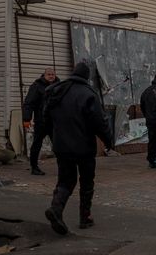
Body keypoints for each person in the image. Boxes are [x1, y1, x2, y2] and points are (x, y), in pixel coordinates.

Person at [43, 62, 114, 235]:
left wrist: (54, 136)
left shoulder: (57, 90)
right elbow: (100, 121)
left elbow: (46, 116)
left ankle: (56, 209)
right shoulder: (88, 94)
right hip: (83, 147)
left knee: (66, 180)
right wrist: (109, 141)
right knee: (86, 181)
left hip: (62, 146)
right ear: (86, 77)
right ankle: (85, 217)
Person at [23, 68, 59, 176]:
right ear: (44, 75)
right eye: (49, 74)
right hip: (41, 121)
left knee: (59, 145)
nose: (51, 76)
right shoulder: (36, 86)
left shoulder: (59, 86)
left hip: (54, 121)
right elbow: (28, 103)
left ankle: (64, 166)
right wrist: (26, 119)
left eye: (53, 74)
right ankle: (34, 167)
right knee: (36, 144)